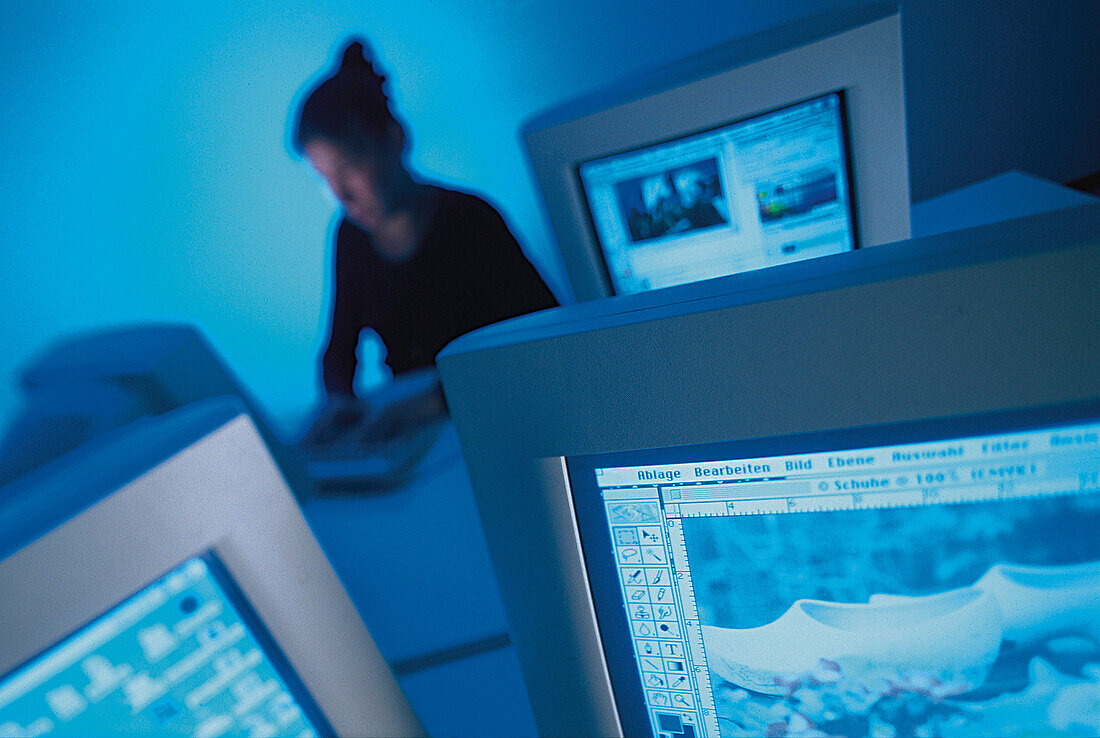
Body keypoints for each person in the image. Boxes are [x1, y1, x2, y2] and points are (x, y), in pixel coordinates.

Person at [293, 39, 558, 448]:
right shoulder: (349, 236)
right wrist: (339, 400)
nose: (340, 195)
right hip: (418, 434)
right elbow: (338, 348)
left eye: (347, 169)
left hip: (498, 420)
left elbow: (543, 344)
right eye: (323, 179)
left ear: (394, 138)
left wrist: (433, 403)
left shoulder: (470, 219)